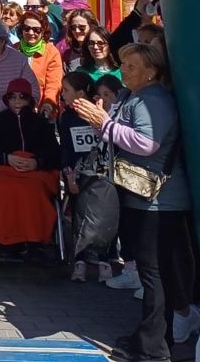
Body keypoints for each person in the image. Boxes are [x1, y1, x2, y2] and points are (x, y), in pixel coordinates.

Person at [71, 43, 200, 359]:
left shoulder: (152, 100)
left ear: (151, 71)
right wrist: (103, 122)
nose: (123, 71)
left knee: (154, 275)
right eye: (124, 65)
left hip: (158, 201)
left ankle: (153, 348)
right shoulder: (138, 97)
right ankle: (152, 337)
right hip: (150, 199)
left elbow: (146, 143)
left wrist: (105, 124)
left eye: (131, 66)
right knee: (156, 274)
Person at [0, 77, 61, 249]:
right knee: (3, 190)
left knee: (33, 191)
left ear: (29, 100)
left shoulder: (40, 123)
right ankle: (5, 238)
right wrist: (7, 158)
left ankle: (34, 239)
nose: (17, 102)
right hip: (5, 168)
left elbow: (53, 151)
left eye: (22, 97)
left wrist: (37, 163)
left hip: (35, 171)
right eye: (12, 97)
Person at [57, 70, 113, 283]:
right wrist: (68, 175)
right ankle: (79, 262)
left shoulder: (100, 113)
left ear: (80, 93)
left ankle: (104, 260)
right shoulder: (67, 117)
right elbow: (67, 149)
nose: (62, 95)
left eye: (66, 91)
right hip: (78, 173)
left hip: (101, 172)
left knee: (104, 216)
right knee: (79, 216)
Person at [17, 10, 64, 115]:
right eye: (26, 29)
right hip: (15, 108)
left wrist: (48, 104)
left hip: (41, 110)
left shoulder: (51, 52)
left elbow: (53, 84)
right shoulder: (14, 49)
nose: (31, 33)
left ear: (43, 31)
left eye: (36, 30)